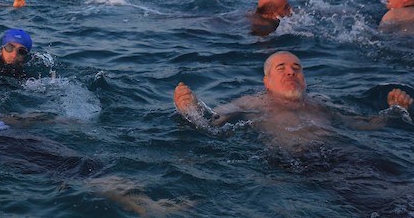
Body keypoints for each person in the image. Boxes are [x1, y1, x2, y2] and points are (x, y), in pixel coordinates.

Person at [0, 76, 185, 215]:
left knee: (83, 162)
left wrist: (50, 120)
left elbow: (0, 118)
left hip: (9, 137)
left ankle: (145, 202)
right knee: (73, 169)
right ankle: (148, 208)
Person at [173, 51, 412, 148]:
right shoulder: (251, 103)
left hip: (346, 156)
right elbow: (212, 123)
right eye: (282, 68)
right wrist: (191, 109)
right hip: (299, 164)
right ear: (266, 81)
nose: (291, 72)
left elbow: (363, 124)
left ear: (304, 80)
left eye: (297, 69)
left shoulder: (321, 103)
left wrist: (395, 110)